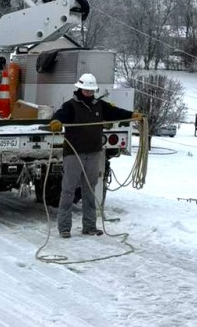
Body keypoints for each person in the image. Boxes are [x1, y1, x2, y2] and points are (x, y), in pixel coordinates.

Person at [51, 73, 136, 238]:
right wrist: (56, 122)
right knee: (68, 191)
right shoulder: (70, 106)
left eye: (91, 91)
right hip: (74, 153)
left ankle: (89, 226)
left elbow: (115, 112)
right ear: (80, 89)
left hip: (93, 152)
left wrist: (132, 115)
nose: (89, 93)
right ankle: (64, 227)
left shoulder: (100, 106)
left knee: (89, 190)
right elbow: (59, 116)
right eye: (86, 90)